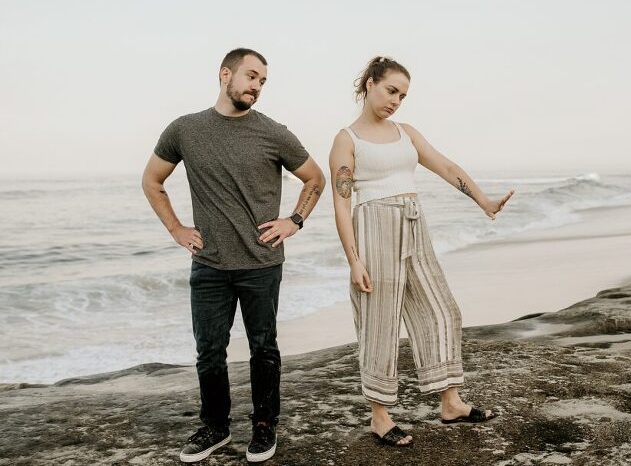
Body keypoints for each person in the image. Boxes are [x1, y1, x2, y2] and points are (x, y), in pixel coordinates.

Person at [142, 48, 325, 463]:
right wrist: (175, 228)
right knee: (209, 351)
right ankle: (215, 427)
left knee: (264, 348)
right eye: (252, 77)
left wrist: (294, 220)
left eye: (263, 81)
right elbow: (153, 181)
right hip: (208, 264)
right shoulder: (185, 130)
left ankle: (264, 426)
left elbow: (315, 177)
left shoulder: (273, 132)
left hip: (261, 264)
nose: (257, 87)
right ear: (225, 74)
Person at [328, 56, 514, 447]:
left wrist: (483, 201)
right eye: (391, 90)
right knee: (379, 323)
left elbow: (444, 166)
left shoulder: (406, 132)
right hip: (374, 227)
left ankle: (451, 403)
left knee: (442, 309)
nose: (396, 100)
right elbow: (341, 203)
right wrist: (354, 260)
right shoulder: (347, 139)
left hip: (414, 224)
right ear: (370, 84)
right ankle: (380, 417)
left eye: (403, 95)